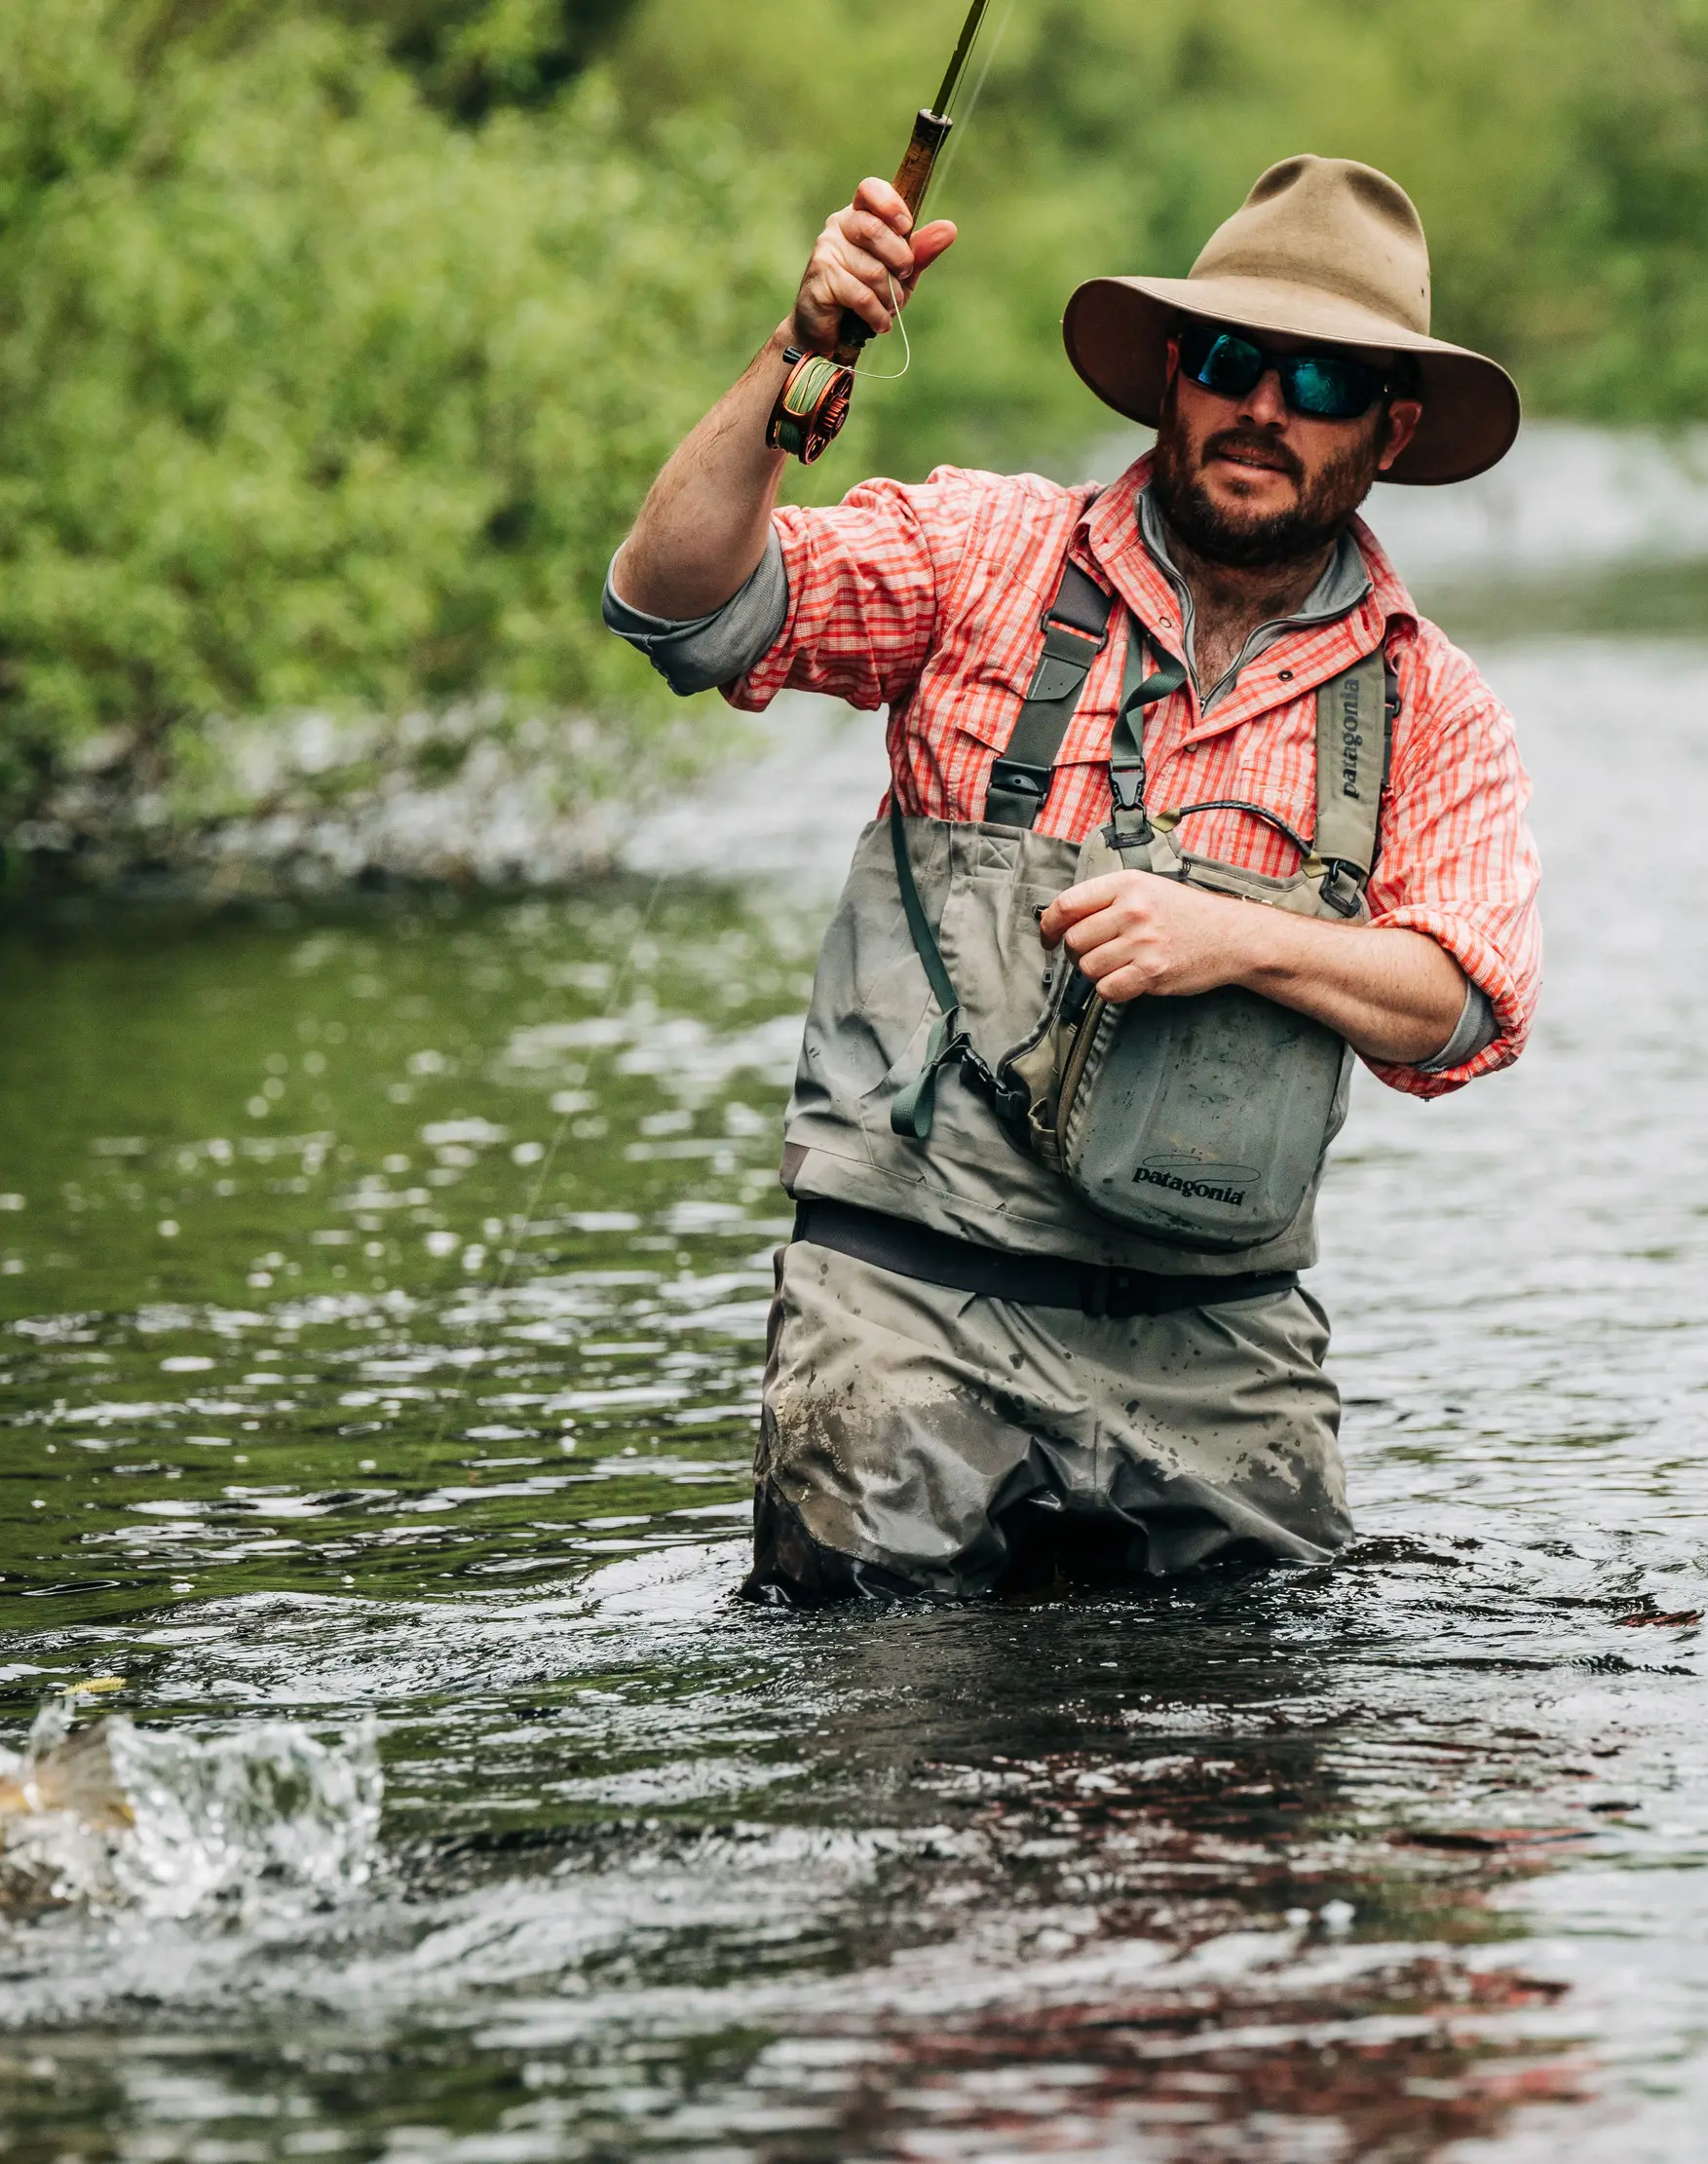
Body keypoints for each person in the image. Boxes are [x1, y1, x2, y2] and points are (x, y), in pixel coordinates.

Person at [605, 153, 1541, 1604]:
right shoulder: (981, 555)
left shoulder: (1432, 705)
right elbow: (679, 611)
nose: (1264, 409)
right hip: (902, 1308)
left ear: (1391, 427)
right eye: (1233, 360)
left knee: (1245, 1769)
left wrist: (1227, 940)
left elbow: (1466, 1006)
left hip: (1221, 1339)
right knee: (878, 1733)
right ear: (1176, 372)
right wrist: (799, 357)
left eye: (1322, 383)